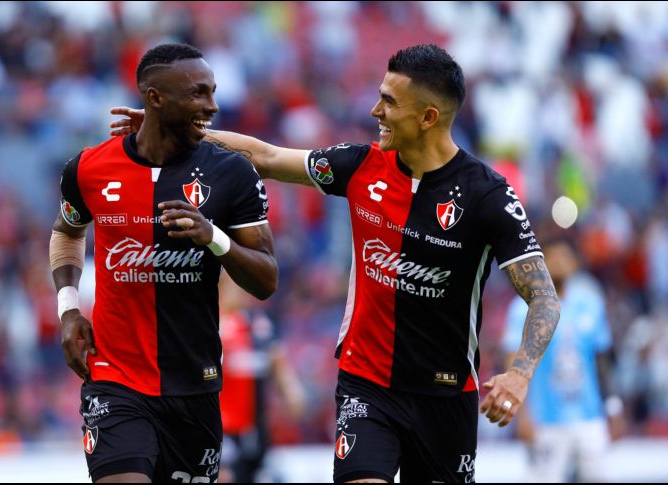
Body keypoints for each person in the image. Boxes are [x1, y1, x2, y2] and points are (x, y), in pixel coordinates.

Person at [110, 43, 561, 483]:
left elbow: (543, 297)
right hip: (366, 387)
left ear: (428, 118)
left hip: (445, 396)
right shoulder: (360, 166)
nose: (374, 111)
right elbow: (266, 157)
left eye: (389, 101)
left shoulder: (489, 196)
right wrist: (174, 128)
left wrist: (520, 374)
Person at [49, 43, 278, 483]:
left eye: (212, 92)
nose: (211, 105)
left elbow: (267, 279)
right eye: (197, 94)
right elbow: (67, 231)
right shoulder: (89, 168)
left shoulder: (232, 174)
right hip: (115, 380)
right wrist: (68, 308)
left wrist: (214, 238)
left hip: (195, 384)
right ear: (155, 99)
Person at [502, 235, 626, 482]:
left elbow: (600, 361)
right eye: (552, 258)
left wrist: (613, 407)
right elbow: (512, 360)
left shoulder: (590, 303)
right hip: (545, 419)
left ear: (574, 263)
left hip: (590, 416)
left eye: (563, 257)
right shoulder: (523, 307)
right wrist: (520, 413)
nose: (558, 262)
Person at [217, 272, 305, 483]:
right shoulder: (213, 323)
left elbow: (277, 363)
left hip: (255, 429)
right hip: (221, 429)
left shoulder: (259, 325)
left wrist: (291, 392)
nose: (241, 291)